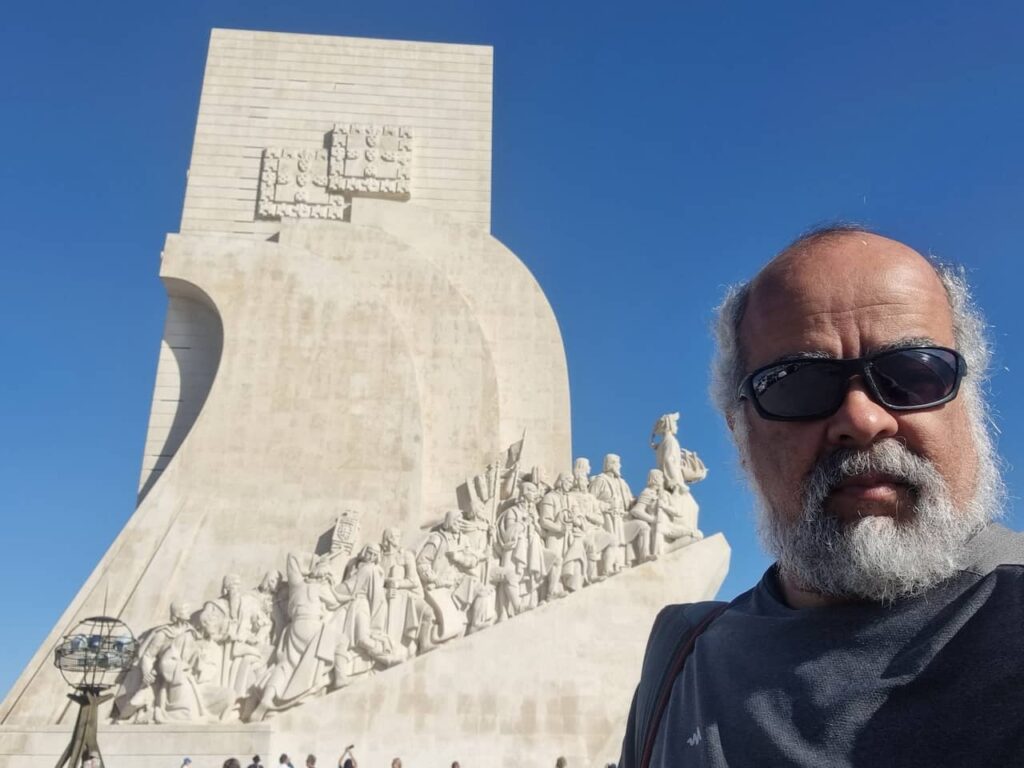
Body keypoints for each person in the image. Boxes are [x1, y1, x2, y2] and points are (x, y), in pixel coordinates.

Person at [619, 225, 1023, 767]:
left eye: (913, 375)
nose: (862, 419)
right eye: (797, 384)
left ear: (967, 406)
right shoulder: (679, 660)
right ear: (739, 433)